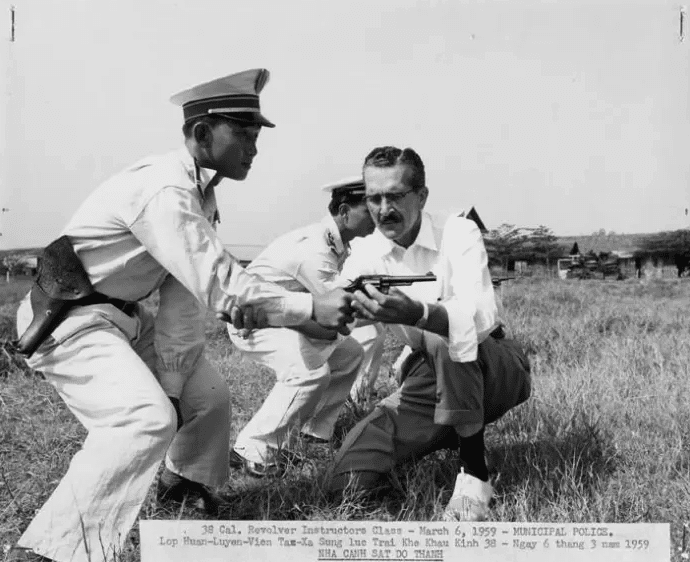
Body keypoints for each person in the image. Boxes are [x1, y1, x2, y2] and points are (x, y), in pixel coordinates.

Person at [8, 69, 354, 562]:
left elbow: (183, 304)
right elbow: (220, 288)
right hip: (70, 320)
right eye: (243, 135)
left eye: (256, 137)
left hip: (120, 319)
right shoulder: (165, 191)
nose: (253, 149)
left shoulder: (199, 194)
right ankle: (49, 551)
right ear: (200, 134)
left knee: (209, 397)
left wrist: (174, 385)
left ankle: (184, 485)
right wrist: (307, 306)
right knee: (144, 421)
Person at [328, 146, 531, 521]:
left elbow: (482, 316)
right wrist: (275, 310)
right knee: (345, 481)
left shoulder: (458, 231)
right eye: (373, 198)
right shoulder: (366, 252)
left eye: (395, 195)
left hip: (495, 365)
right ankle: (442, 430)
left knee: (443, 330)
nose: (383, 208)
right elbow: (332, 312)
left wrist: (420, 313)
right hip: (431, 375)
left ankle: (474, 472)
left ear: (421, 196)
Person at [227, 177, 376, 477]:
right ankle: (253, 447)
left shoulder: (333, 243)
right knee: (309, 372)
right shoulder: (316, 250)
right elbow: (333, 317)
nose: (379, 215)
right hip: (252, 323)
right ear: (345, 211)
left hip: (287, 317)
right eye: (370, 209)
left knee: (349, 354)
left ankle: (313, 432)